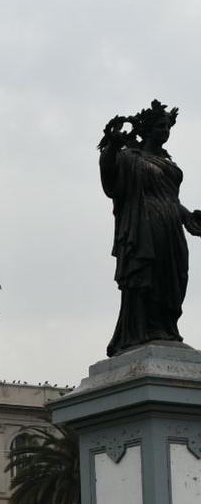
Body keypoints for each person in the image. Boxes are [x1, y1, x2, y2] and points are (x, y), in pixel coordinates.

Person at [98, 99, 201, 356]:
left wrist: (188, 217)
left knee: (174, 278)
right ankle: (141, 332)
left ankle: (166, 328)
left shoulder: (167, 162)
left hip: (171, 229)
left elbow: (172, 200)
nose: (165, 131)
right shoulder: (130, 158)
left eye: (167, 127)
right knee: (146, 276)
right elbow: (110, 177)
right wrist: (112, 145)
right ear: (147, 129)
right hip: (143, 226)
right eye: (160, 126)